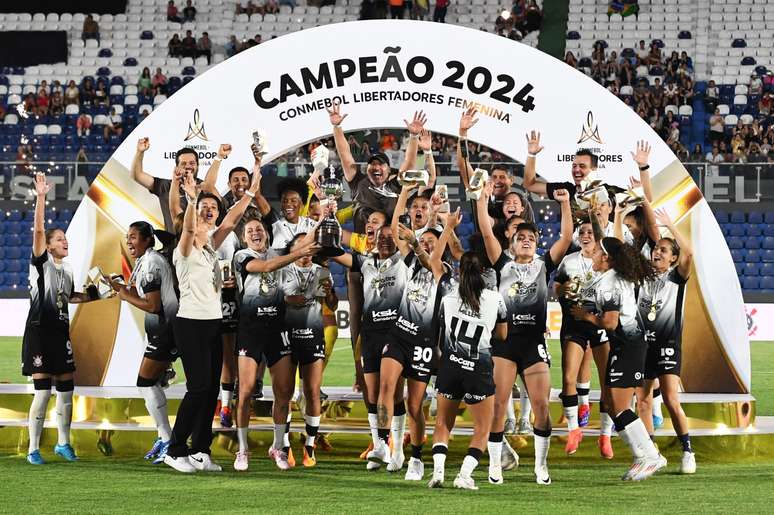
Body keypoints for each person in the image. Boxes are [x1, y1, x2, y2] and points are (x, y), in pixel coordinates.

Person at [163, 171, 260, 473]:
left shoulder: (209, 248)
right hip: (190, 323)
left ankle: (201, 449)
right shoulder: (185, 247)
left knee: (211, 391)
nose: (210, 213)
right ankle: (175, 449)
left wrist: (252, 188)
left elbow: (231, 220)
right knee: (198, 387)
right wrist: (192, 200)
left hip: (212, 324)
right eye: (205, 209)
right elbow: (190, 227)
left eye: (213, 209)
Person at [477, 180, 573, 486]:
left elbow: (567, 235)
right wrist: (481, 199)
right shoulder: (501, 263)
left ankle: (540, 466)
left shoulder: (544, 266)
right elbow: (484, 229)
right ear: (511, 242)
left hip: (534, 344)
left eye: (532, 237)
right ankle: (495, 464)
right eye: (521, 237)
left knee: (542, 407)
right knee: (497, 407)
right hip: (504, 344)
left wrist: (565, 203)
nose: (527, 241)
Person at [371, 186, 459, 481]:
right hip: (398, 335)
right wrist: (405, 193)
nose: (427, 245)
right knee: (385, 389)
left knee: (412, 405)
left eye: (433, 242)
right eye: (424, 241)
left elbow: (431, 258)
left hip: (423, 344)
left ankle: (416, 458)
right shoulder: (409, 263)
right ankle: (384, 443)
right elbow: (396, 229)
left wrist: (443, 227)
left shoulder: (443, 272)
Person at [570, 237, 667, 481]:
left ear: (606, 258)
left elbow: (611, 322)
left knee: (619, 405)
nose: (590, 253)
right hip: (626, 346)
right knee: (614, 405)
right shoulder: (611, 278)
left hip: (629, 346)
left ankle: (650, 456)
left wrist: (586, 316)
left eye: (595, 251)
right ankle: (642, 455)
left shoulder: (611, 283)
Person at [23, 173, 103, 465]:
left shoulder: (67, 269)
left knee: (66, 391)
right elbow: (38, 233)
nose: (64, 241)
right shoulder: (40, 263)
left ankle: (63, 443)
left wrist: (98, 295)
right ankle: (33, 448)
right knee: (43, 394)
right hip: (40, 334)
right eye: (59, 239)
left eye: (65, 239)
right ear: (49, 245)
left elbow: (71, 298)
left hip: (60, 334)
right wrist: (41, 197)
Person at [232, 219, 319, 471]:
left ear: (267, 234)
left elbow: (304, 242)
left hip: (278, 330)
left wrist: (323, 215)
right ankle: (242, 449)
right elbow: (268, 266)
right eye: (250, 231)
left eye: (259, 229)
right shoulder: (242, 256)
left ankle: (278, 447)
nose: (255, 233)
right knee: (246, 391)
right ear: (244, 237)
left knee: (284, 392)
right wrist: (298, 253)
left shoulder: (279, 253)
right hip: (251, 330)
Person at [329, 223, 409, 471]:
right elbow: (333, 252)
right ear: (371, 239)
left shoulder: (403, 261)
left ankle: (392, 447)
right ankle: (381, 447)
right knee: (373, 394)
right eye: (380, 236)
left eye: (390, 237)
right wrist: (326, 219)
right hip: (370, 334)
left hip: (395, 334)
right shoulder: (364, 262)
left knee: (391, 390)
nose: (385, 241)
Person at [428, 252, 508, 490]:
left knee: (443, 423)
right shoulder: (495, 298)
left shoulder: (448, 297)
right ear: (483, 272)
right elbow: (503, 335)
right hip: (478, 367)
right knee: (483, 427)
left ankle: (438, 472)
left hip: (450, 365)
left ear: (459, 271)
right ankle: (464, 475)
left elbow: (441, 335)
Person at [109, 222, 179, 464]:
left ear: (148, 239)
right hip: (162, 331)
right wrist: (120, 287)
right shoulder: (146, 259)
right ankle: (164, 437)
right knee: (152, 382)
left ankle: (168, 439)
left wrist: (125, 294)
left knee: (145, 381)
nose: (129, 242)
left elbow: (153, 305)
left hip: (166, 331)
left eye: (134, 237)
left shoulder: (151, 264)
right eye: (127, 237)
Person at [636, 208, 696, 474]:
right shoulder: (641, 278)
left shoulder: (676, 278)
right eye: (656, 248)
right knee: (644, 400)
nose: (657, 252)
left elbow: (690, 254)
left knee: (671, 398)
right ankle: (651, 452)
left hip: (667, 344)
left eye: (664, 250)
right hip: (643, 345)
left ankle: (687, 451)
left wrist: (670, 226)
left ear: (673, 258)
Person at [554, 218, 615, 458]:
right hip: (574, 323)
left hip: (599, 324)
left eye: (590, 231)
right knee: (568, 377)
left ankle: (605, 436)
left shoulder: (606, 261)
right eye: (582, 232)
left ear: (598, 236)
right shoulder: (569, 260)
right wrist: (563, 289)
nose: (585, 235)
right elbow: (556, 287)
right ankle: (573, 430)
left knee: (607, 382)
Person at [276, 233, 338, 468]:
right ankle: (283, 444)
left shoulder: (321, 272)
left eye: (308, 247)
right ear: (292, 249)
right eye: (299, 246)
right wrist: (293, 299)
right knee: (284, 392)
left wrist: (330, 293)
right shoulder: (281, 270)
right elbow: (280, 301)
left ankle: (310, 445)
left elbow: (330, 305)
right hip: (286, 337)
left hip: (312, 336)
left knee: (312, 391)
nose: (304, 251)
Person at [327, 102, 427, 232]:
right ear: (366, 169)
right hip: (362, 246)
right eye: (372, 164)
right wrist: (337, 127)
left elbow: (409, 163)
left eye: (381, 164)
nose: (376, 167)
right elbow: (345, 154)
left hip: (391, 246)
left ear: (389, 170)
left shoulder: (395, 184)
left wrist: (414, 137)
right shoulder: (358, 182)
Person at [131, 137, 230, 232]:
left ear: (197, 165)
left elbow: (210, 186)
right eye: (183, 163)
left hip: (201, 245)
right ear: (177, 166)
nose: (188, 166)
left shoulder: (205, 189)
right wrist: (140, 152)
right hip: (174, 246)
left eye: (192, 163)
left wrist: (219, 157)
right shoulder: (165, 185)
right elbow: (137, 175)